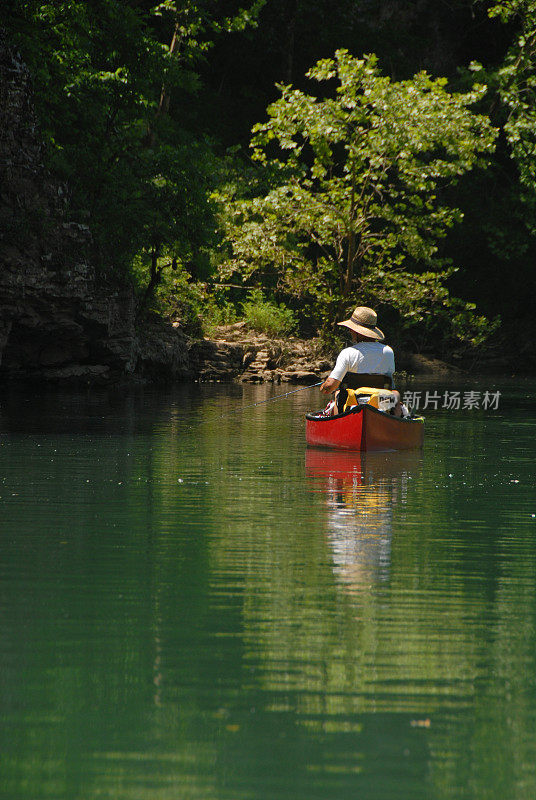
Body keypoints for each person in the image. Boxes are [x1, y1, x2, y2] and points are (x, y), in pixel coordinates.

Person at [319, 306, 406, 416]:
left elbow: (330, 386)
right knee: (395, 394)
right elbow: (389, 382)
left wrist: (324, 387)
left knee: (338, 393)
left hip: (351, 404)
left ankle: (339, 420)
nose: (350, 331)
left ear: (356, 331)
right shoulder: (388, 351)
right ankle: (395, 422)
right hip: (381, 403)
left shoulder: (347, 352)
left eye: (351, 329)